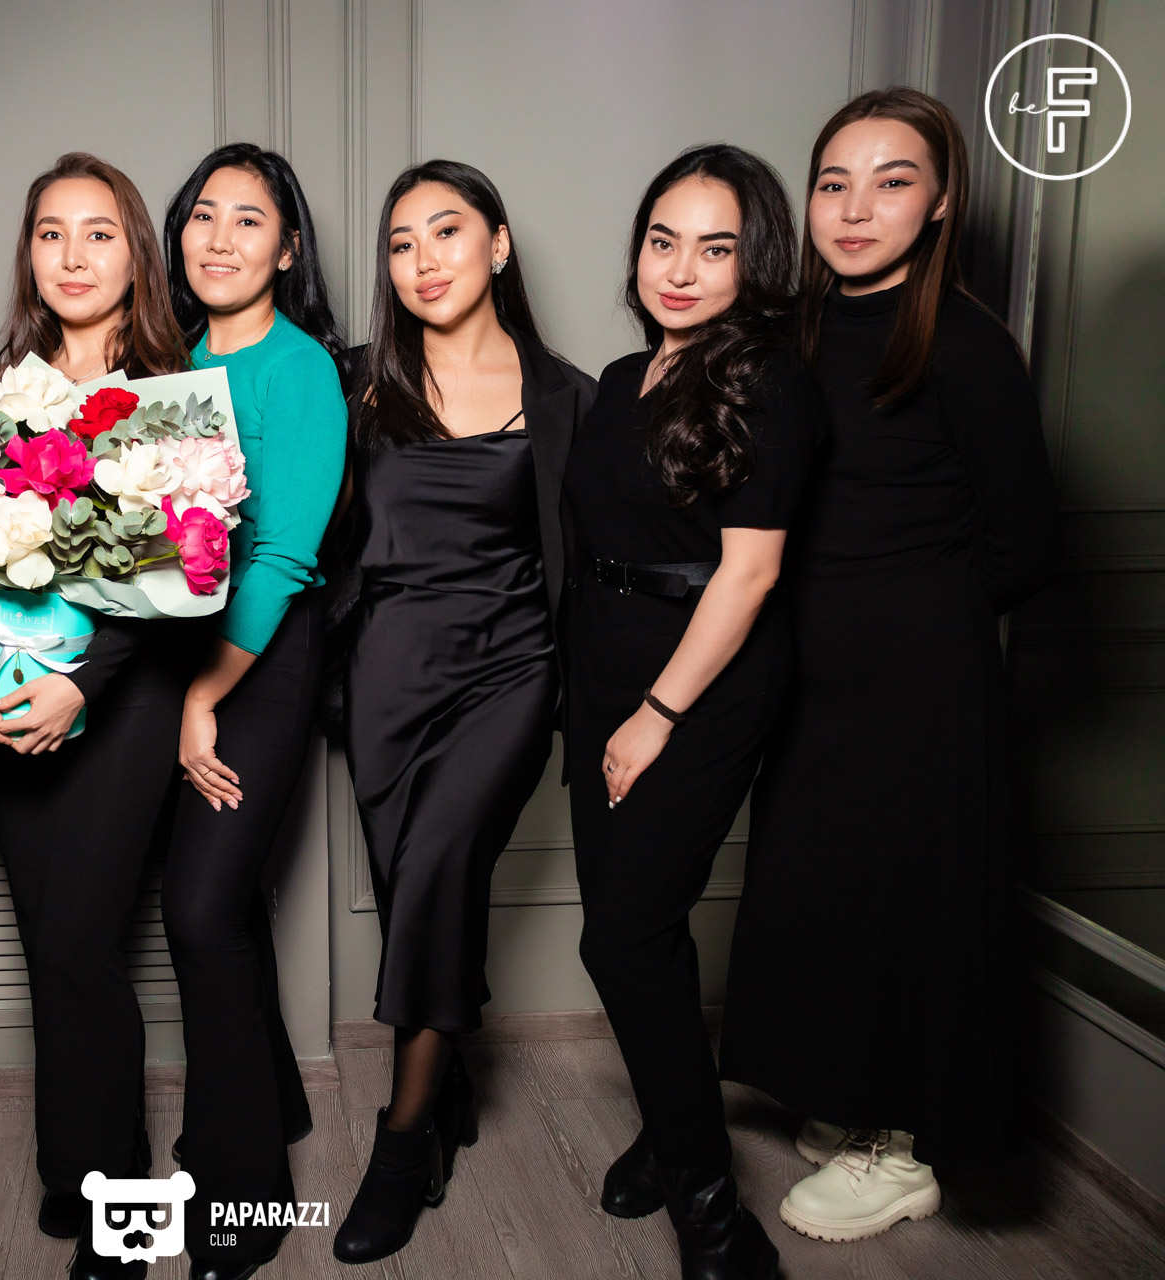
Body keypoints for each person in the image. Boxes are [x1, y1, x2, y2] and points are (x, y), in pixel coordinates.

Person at [720, 88, 1061, 1243]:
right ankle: (855, 1096)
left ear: (942, 201)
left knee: (912, 906)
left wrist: (920, 617)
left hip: (919, 682)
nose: (856, 208)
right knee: (828, 893)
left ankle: (904, 1146)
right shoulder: (796, 334)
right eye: (835, 183)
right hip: (809, 674)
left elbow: (1028, 545)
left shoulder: (967, 344)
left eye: (892, 180)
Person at [0, 151, 193, 1280]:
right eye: (51, 232)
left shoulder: (175, 393)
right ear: (29, 252)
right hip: (3, 696)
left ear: (136, 252)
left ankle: (122, 1209)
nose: (73, 255)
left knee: (82, 944)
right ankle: (77, 1163)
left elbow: (190, 573)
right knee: (50, 946)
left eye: (99, 232)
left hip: (121, 703)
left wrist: (86, 680)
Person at [564, 143, 821, 1280]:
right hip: (601, 670)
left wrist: (658, 711)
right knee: (641, 933)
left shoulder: (770, 381)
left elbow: (749, 574)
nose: (680, 269)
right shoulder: (624, 377)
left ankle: (715, 1216)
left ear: (754, 262)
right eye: (663, 241)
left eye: (715, 250)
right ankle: (674, 1132)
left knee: (620, 935)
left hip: (697, 683)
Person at [334, 160, 595, 1265]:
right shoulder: (357, 381)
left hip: (510, 672)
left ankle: (401, 1144)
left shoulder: (570, 397)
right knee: (415, 890)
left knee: (438, 866)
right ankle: (448, 1090)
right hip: (387, 674)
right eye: (401, 243)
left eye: (447, 231)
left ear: (498, 243)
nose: (423, 260)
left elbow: (600, 559)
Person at [157, 143, 347, 1278]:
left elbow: (280, 555)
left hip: (259, 662)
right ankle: (268, 1098)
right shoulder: (162, 361)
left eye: (248, 219)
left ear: (286, 248)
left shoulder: (303, 369)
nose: (220, 238)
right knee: (215, 908)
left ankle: (243, 1197)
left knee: (200, 909)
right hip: (168, 662)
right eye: (203, 215)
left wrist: (203, 694)